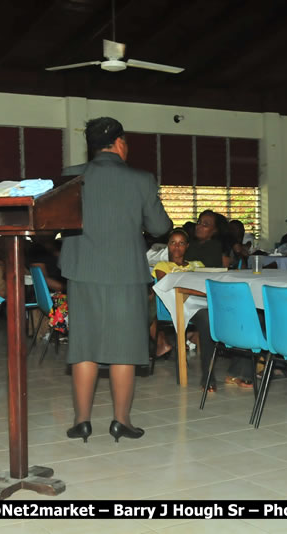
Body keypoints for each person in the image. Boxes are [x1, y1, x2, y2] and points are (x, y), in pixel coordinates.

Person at [60, 117, 172, 443]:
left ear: (92, 146)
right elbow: (160, 227)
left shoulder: (70, 176)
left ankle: (81, 421)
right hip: (126, 273)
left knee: (84, 347)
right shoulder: (141, 179)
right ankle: (121, 421)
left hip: (82, 270)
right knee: (124, 349)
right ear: (120, 143)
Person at [151, 229, 204, 358]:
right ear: (168, 245)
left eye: (181, 243)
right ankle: (170, 341)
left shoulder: (197, 265)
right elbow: (166, 287)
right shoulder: (162, 265)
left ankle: (192, 338)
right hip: (172, 304)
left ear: (187, 246)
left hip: (198, 302)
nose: (176, 247)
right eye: (173, 243)